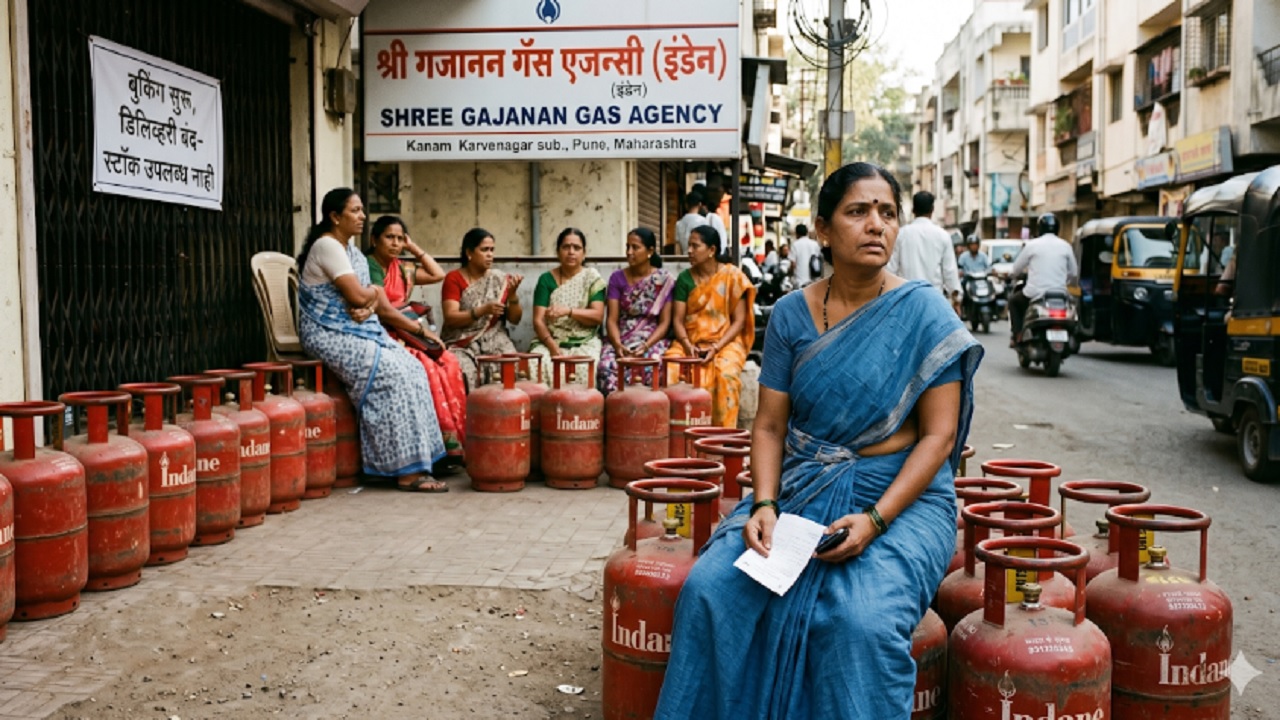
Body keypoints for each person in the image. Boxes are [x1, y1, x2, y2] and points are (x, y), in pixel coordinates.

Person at [653, 162, 982, 719]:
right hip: (802, 486)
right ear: (823, 229)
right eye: (858, 211)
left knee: (857, 622)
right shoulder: (789, 315)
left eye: (887, 213)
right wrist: (763, 503)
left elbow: (939, 435)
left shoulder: (925, 313)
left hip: (904, 499)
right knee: (712, 590)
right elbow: (769, 426)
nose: (876, 224)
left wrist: (874, 520)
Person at [296, 188, 448, 493]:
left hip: (358, 329)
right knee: (391, 374)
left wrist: (369, 302)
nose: (362, 216)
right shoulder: (327, 246)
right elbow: (358, 295)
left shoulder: (352, 253)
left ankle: (422, 460)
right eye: (355, 211)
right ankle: (401, 469)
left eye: (362, 210)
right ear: (335, 217)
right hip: (326, 333)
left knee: (412, 368)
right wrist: (372, 296)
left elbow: (369, 301)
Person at [366, 216, 468, 460]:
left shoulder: (403, 268)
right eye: (389, 237)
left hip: (407, 331)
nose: (395, 243)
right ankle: (438, 444)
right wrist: (421, 331)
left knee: (449, 361)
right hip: (384, 331)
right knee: (427, 366)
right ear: (374, 240)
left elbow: (437, 273)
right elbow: (383, 310)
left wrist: (413, 248)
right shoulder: (370, 266)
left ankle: (456, 438)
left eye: (400, 238)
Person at [662, 225, 755, 428]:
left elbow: (739, 321)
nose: (689, 251)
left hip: (726, 342)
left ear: (712, 250)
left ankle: (722, 438)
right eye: (688, 245)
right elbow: (678, 320)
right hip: (689, 341)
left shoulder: (732, 276)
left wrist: (716, 347)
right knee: (671, 367)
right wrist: (688, 347)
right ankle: (679, 437)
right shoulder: (685, 278)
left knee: (725, 374)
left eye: (695, 246)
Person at [440, 228, 524, 391]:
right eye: (484, 250)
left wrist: (513, 295)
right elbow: (450, 317)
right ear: (469, 253)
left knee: (511, 364)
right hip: (462, 342)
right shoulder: (454, 278)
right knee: (463, 369)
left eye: (492, 250)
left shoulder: (499, 279)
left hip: (495, 337)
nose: (490, 254)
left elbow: (515, 319)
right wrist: (482, 310)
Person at [598, 227, 674, 394]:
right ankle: (616, 408)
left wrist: (645, 346)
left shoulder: (664, 280)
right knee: (606, 367)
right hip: (620, 337)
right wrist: (618, 345)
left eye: (635, 247)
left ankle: (649, 408)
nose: (629, 252)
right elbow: (611, 320)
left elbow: (665, 323)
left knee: (654, 364)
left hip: (651, 339)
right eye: (627, 247)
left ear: (650, 251)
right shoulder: (617, 278)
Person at [528, 228, 606, 385]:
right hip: (550, 340)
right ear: (558, 252)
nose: (571, 252)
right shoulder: (546, 280)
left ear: (584, 253)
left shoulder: (592, 278)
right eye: (566, 247)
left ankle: (581, 401)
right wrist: (552, 347)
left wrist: (568, 311)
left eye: (576, 248)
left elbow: (597, 316)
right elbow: (538, 320)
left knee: (585, 366)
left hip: (585, 340)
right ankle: (546, 401)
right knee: (536, 363)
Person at [1008, 213, 1078, 346]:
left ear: (1039, 228)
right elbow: (1073, 273)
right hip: (1060, 294)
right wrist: (1064, 282)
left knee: (1014, 302)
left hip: (1034, 293)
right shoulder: (1066, 246)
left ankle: (1017, 335)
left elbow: (1016, 269)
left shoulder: (1032, 245)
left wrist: (1012, 275)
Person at [887, 191, 962, 311]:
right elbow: (950, 272)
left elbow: (890, 270)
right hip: (934, 302)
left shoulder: (901, 235)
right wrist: (956, 300)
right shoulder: (943, 236)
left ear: (913, 210)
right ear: (932, 210)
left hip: (906, 301)